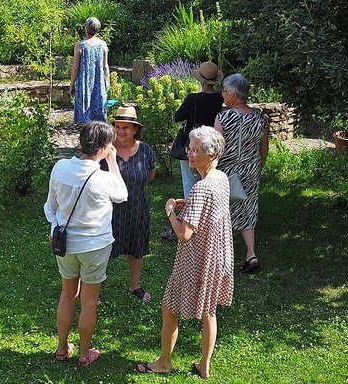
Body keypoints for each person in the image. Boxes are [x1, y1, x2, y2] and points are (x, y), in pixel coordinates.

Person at [136, 126, 234, 379]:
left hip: (196, 259)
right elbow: (210, 210)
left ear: (211, 154)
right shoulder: (220, 178)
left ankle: (164, 362)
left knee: (169, 307)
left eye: (196, 150)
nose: (189, 153)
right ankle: (204, 365)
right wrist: (190, 205)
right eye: (189, 148)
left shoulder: (201, 188)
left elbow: (184, 234)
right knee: (209, 311)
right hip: (217, 257)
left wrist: (170, 209)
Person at [44, 121, 127, 367]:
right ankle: (83, 354)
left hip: (65, 244)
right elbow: (122, 195)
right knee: (88, 302)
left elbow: (51, 207)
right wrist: (112, 162)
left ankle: (61, 348)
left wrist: (54, 228)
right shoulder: (102, 179)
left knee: (67, 295)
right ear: (103, 147)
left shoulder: (60, 167)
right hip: (95, 247)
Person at [162, 62, 224, 242]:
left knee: (190, 185)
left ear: (201, 80)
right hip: (212, 146)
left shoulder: (193, 98)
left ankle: (189, 225)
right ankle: (206, 220)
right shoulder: (220, 99)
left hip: (194, 145)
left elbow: (177, 117)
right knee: (208, 182)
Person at [100, 106, 156, 301]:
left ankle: (135, 286)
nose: (121, 131)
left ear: (135, 130)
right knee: (102, 249)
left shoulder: (146, 151)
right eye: (118, 126)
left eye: (126, 127)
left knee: (136, 248)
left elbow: (149, 176)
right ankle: (95, 288)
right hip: (108, 209)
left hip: (137, 207)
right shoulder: (104, 149)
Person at [214, 73, 269, 273]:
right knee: (248, 210)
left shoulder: (224, 117)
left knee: (223, 211)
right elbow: (264, 149)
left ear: (234, 95)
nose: (223, 94)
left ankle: (221, 256)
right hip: (251, 171)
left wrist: (209, 172)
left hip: (227, 172)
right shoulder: (260, 118)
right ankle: (251, 254)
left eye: (225, 91)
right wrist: (257, 168)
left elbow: (215, 149)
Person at [70, 17, 110, 123]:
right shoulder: (103, 45)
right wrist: (107, 83)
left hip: (84, 84)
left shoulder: (80, 45)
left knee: (84, 115)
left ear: (85, 28)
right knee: (99, 115)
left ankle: (86, 134)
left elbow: (76, 68)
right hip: (99, 83)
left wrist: (71, 84)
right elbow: (105, 66)